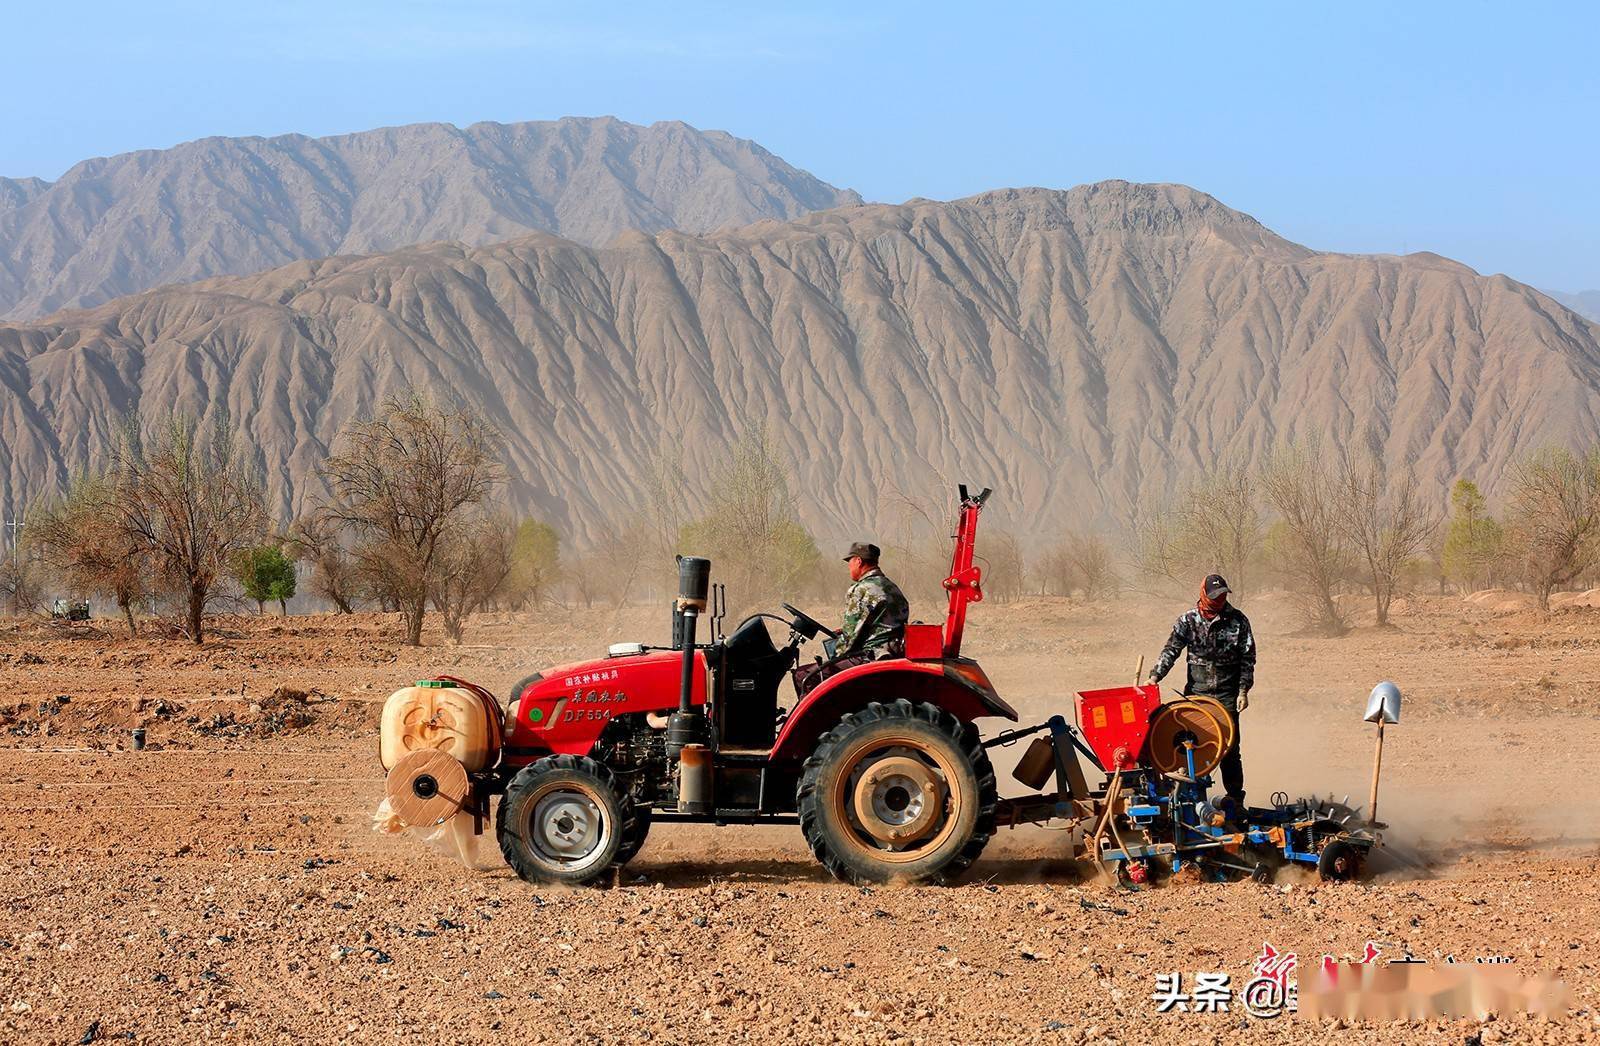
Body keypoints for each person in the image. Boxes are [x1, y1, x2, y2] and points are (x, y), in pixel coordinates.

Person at [1147, 573, 1256, 805]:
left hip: (1227, 696)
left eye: (1223, 595)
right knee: (1192, 747)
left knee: (1229, 750)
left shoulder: (1238, 621)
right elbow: (1171, 650)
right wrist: (1155, 676)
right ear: (1204, 594)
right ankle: (1192, 801)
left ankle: (1235, 799)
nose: (1220, 600)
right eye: (1215, 596)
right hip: (1197, 695)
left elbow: (1248, 658)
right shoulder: (1188, 621)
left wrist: (1243, 691)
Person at [793, 542, 909, 696]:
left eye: (850, 562)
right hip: (892, 653)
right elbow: (884, 624)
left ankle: (824, 719)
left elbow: (849, 640)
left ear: (859, 561)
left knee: (804, 676)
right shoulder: (892, 588)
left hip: (872, 657)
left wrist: (833, 660)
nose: (849, 567)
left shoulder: (861, 590)